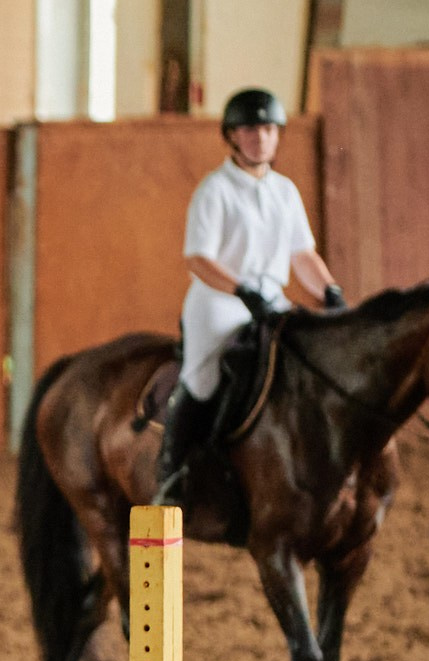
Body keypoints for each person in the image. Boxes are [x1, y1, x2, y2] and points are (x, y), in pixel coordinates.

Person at [153, 87, 345, 504]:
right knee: (202, 378)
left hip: (270, 298)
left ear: (277, 135)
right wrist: (240, 289)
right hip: (218, 300)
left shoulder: (285, 191)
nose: (260, 137)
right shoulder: (215, 189)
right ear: (232, 136)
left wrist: (330, 290)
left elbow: (302, 254)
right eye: (249, 130)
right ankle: (171, 470)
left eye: (268, 129)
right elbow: (198, 260)